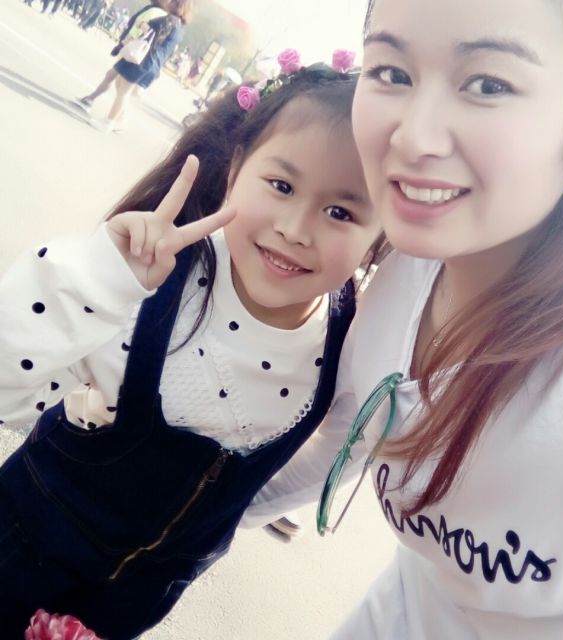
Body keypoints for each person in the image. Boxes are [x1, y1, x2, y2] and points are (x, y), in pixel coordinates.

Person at [243, 0, 563, 638]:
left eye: (488, 84)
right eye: (392, 72)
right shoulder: (410, 269)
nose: (411, 137)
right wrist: (170, 527)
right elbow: (345, 442)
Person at [0, 61, 382, 638]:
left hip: (119, 613)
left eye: (341, 212)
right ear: (235, 169)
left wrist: (220, 518)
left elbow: (343, 445)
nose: (296, 228)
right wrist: (96, 281)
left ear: (381, 236)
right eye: (281, 186)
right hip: (16, 554)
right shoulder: (153, 286)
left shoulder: (350, 334)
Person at [93, 0, 191, 132]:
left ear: (177, 5)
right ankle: (119, 120)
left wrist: (143, 25)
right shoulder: (179, 28)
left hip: (144, 60)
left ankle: (109, 122)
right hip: (153, 64)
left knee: (123, 92)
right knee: (120, 84)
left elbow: (154, 35)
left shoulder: (169, 20)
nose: (168, 2)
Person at [75, 1, 166, 113]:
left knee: (116, 82)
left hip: (133, 49)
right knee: (118, 84)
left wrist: (124, 44)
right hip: (138, 53)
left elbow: (138, 31)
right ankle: (95, 102)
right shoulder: (160, 13)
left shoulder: (154, 11)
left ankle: (93, 101)